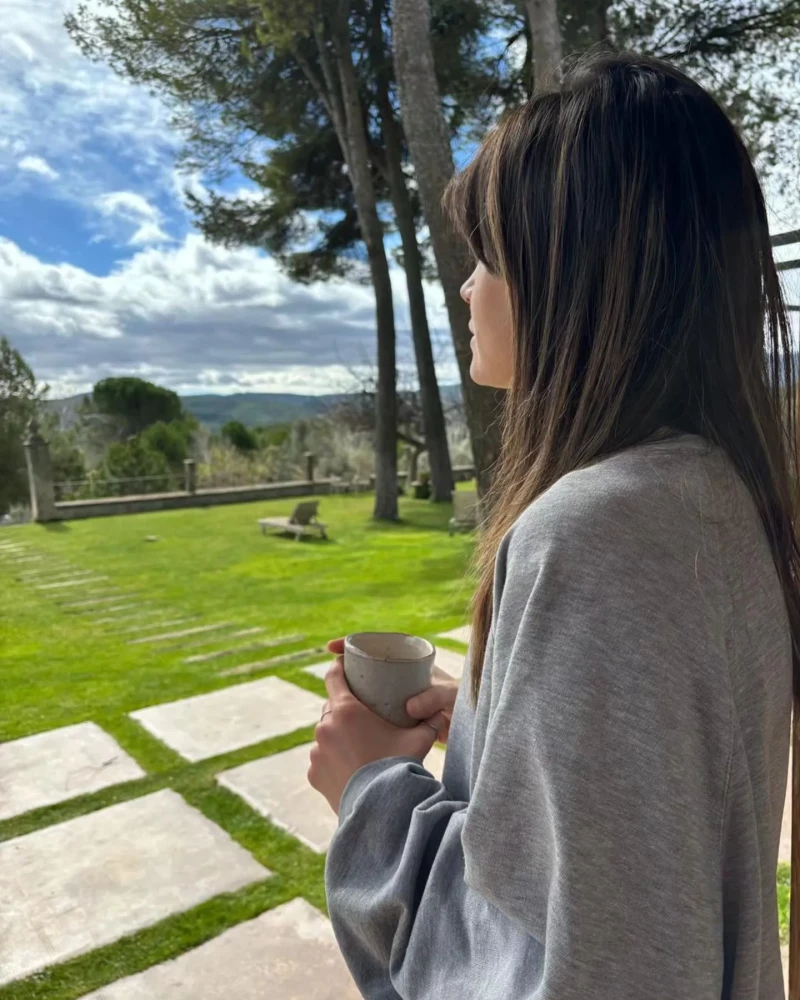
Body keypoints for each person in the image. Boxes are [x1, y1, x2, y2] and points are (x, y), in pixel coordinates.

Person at [307, 51, 800, 999]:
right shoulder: (715, 494)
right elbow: (654, 838)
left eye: (488, 253)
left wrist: (369, 790)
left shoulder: (599, 531)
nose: (467, 287)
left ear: (572, 268)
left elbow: (565, 969)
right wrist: (498, 731)